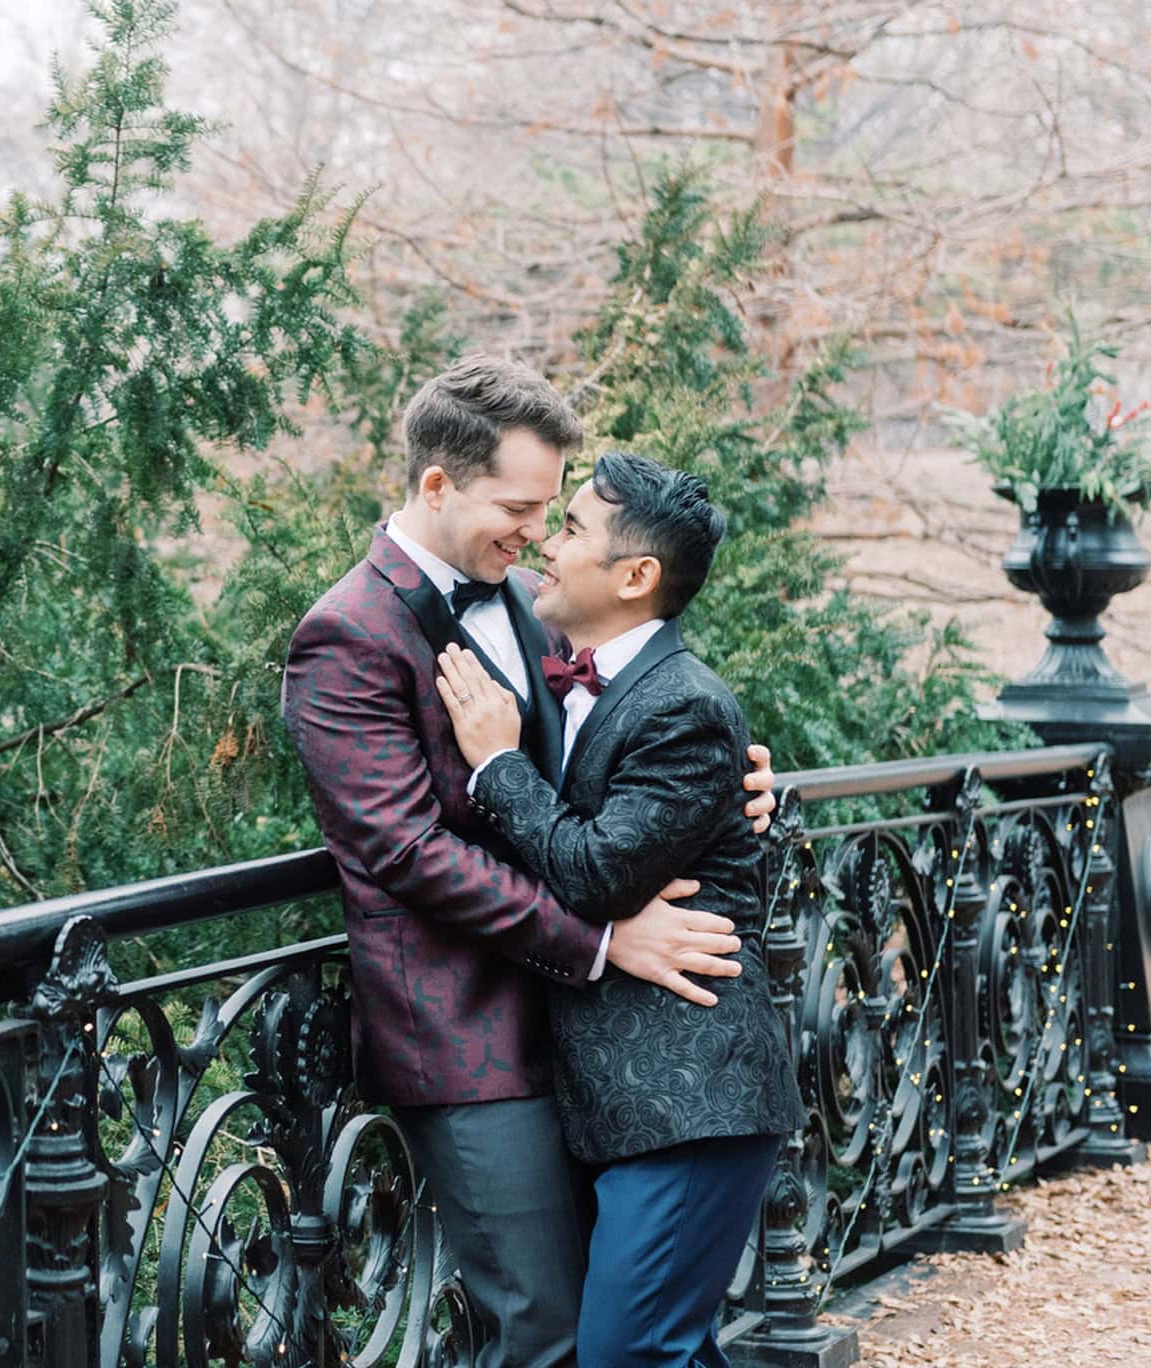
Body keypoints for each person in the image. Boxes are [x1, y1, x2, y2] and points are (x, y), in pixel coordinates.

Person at [280, 355, 777, 1368]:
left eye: (554, 511)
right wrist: (599, 940)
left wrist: (743, 790)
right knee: (543, 1332)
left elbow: (614, 762)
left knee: (636, 1332)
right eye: (518, 506)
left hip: (590, 1041)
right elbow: (406, 852)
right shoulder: (344, 634)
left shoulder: (514, 600)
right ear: (435, 485)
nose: (539, 535)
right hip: (466, 1038)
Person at [437, 449, 804, 1368]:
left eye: (570, 530)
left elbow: (596, 874)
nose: (545, 547)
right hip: (623, 1098)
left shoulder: (682, 702)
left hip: (691, 1094)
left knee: (627, 1353)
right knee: (668, 1350)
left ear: (636, 577)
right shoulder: (574, 664)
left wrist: (497, 763)